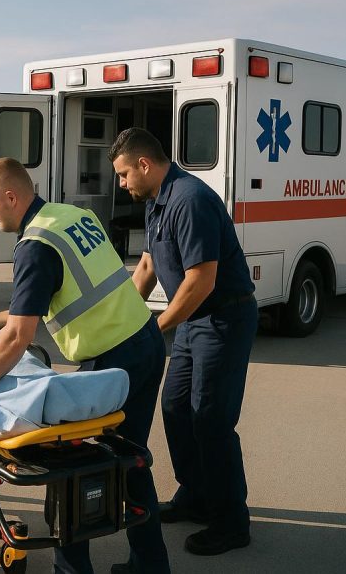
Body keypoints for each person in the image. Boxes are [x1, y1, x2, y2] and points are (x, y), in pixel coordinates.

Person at [0, 157, 170, 574]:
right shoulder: (69, 216)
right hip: (146, 340)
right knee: (132, 459)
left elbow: (17, 337)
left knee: (72, 466)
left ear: (11, 198)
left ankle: (73, 571)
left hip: (114, 358)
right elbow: (46, 303)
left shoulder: (34, 247)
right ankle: (150, 565)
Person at [109, 128, 257, 557]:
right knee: (176, 408)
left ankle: (231, 522)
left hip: (223, 317)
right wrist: (118, 318)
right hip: (195, 321)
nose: (121, 184)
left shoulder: (189, 200)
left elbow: (201, 281)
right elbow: (147, 266)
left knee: (211, 420)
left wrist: (152, 332)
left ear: (144, 164)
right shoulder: (157, 202)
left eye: (122, 175)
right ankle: (196, 495)